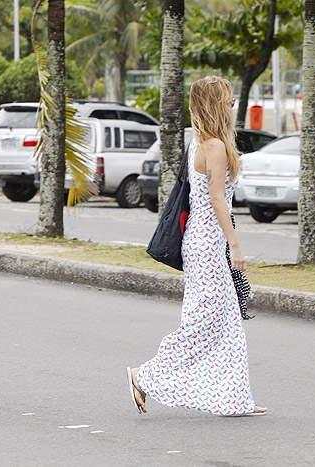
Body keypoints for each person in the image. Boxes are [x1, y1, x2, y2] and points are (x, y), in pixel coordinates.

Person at [127, 76, 267, 416]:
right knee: (203, 321)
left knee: (228, 320)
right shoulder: (214, 147)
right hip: (207, 243)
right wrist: (234, 246)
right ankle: (143, 375)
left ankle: (235, 399)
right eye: (229, 100)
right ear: (217, 105)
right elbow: (218, 201)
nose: (234, 105)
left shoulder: (202, 143)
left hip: (205, 240)